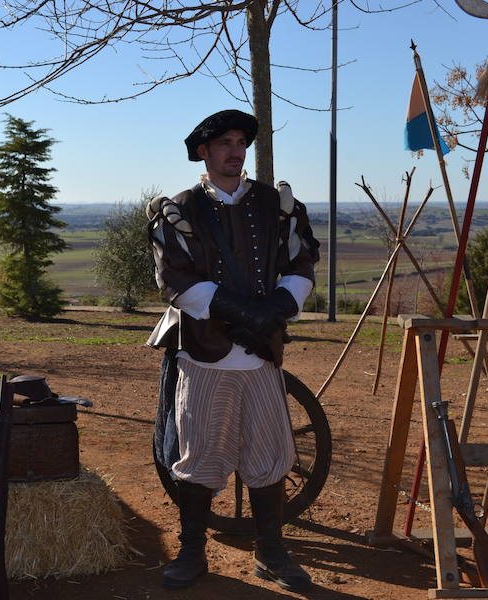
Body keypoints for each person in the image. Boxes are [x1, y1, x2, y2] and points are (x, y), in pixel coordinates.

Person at [146, 109, 320, 592]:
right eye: (224, 142)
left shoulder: (275, 205)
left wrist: (277, 310)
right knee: (199, 455)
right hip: (204, 354)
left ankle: (271, 552)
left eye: (241, 141)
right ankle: (192, 551)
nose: (235, 150)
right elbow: (176, 281)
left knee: (269, 454)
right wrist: (249, 315)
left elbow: (301, 261)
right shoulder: (180, 209)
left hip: (261, 356)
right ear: (203, 151)